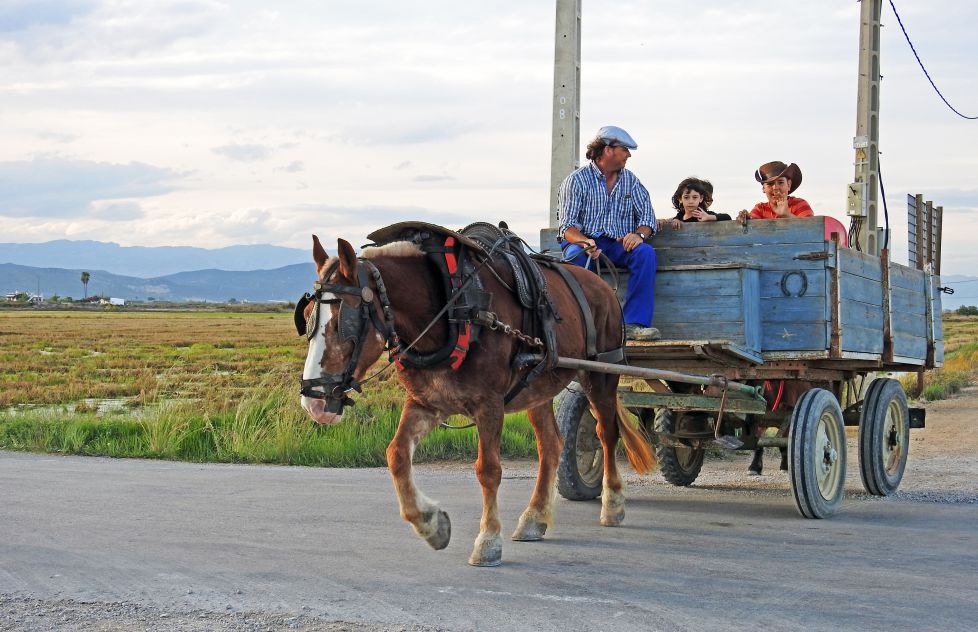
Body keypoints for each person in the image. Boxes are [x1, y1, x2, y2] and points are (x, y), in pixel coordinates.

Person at [558, 125, 660, 341]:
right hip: (584, 244)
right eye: (625, 149)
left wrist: (639, 235)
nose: (629, 155)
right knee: (575, 256)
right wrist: (585, 241)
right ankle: (584, 325)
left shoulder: (631, 181)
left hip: (617, 245)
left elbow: (648, 219)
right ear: (608, 150)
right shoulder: (576, 180)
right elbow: (567, 226)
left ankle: (633, 324)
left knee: (645, 253)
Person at [736, 161, 814, 221]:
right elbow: (751, 231)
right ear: (763, 188)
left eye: (780, 182)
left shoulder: (799, 204)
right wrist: (746, 220)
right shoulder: (760, 209)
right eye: (770, 184)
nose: (775, 187)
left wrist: (786, 215)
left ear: (789, 185)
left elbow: (813, 230)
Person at [663, 177, 731, 229]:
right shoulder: (679, 216)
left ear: (701, 198)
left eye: (695, 197)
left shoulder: (703, 215)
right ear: (680, 199)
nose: (691, 201)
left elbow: (727, 217)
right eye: (686, 197)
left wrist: (708, 217)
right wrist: (675, 221)